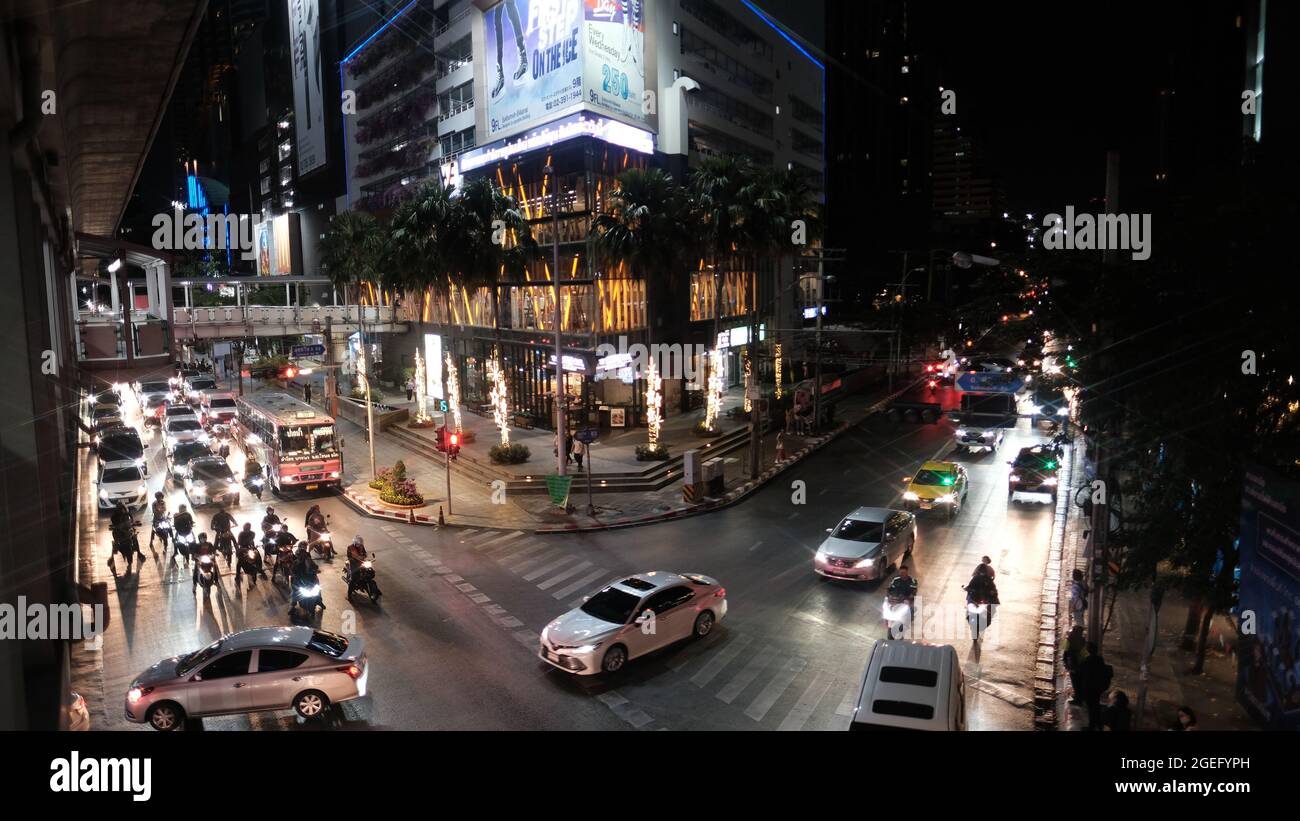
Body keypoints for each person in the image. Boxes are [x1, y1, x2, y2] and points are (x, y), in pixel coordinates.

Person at [1076, 642, 1113, 731]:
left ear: (1088, 650)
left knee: (1092, 708)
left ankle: (1092, 726)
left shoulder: (1087, 661)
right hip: (1097, 688)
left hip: (1089, 688)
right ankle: (1098, 725)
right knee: (1095, 706)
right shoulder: (1100, 659)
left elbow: (1079, 671)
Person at [1063, 625, 1087, 705]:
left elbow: (1064, 652)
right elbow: (1085, 653)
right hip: (1081, 664)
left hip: (1073, 663)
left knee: (1075, 682)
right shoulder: (1083, 640)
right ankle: (1080, 697)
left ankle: (1078, 699)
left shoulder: (1069, 639)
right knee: (1079, 682)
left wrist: (1065, 662)